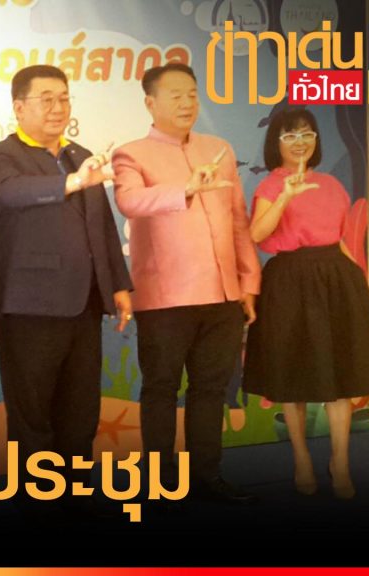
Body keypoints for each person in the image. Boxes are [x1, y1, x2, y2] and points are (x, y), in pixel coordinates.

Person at [0, 65, 133, 518]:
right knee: (33, 416)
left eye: (63, 98)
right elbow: (10, 194)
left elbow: (102, 227)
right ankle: (37, 505)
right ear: (19, 107)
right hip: (29, 305)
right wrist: (72, 182)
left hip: (84, 304)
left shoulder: (79, 154)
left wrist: (118, 285)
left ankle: (76, 498)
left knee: (80, 411)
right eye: (46, 99)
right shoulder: (0, 157)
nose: (57, 107)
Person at [112, 62, 262, 504]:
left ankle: (207, 476)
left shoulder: (219, 149)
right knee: (160, 389)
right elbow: (130, 201)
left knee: (211, 390)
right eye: (175, 95)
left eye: (192, 94)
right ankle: (160, 483)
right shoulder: (131, 154)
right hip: (165, 298)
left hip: (222, 294)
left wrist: (248, 281)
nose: (186, 103)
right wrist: (186, 189)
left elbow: (237, 221)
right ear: (150, 103)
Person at [243, 107, 369, 499]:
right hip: (289, 281)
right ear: (276, 142)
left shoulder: (331, 184)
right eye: (290, 135)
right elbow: (256, 234)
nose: (300, 142)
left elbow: (339, 239)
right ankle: (302, 461)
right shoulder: (270, 186)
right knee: (292, 377)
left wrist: (357, 282)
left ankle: (340, 463)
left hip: (335, 281)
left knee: (340, 377)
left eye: (307, 133)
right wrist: (285, 197)